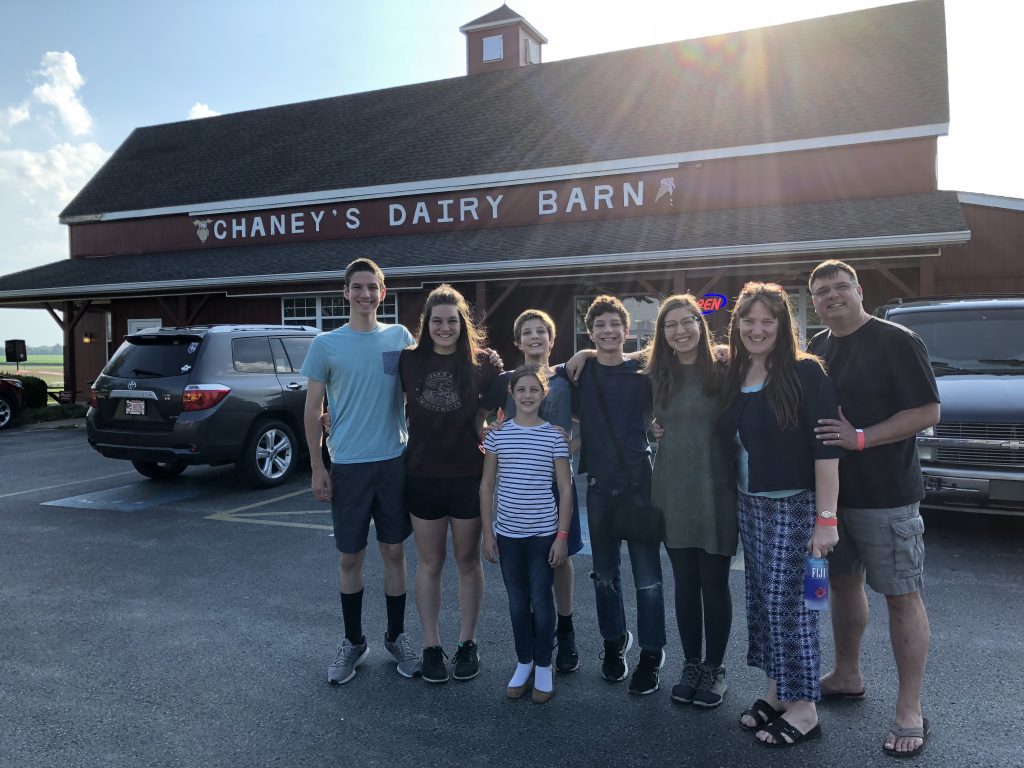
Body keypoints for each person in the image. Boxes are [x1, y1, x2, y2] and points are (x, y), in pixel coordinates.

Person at [807, 259, 939, 759]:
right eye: (822, 291)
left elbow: (927, 411)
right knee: (842, 584)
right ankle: (847, 673)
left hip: (887, 496)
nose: (832, 296)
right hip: (832, 500)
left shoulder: (897, 340)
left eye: (841, 287)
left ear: (860, 290)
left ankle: (910, 709)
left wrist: (860, 439)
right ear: (814, 300)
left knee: (901, 595)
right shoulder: (818, 346)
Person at [717, 282, 842, 747]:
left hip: (795, 504)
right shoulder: (735, 371)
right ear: (738, 325)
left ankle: (805, 706)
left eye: (768, 321)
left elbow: (826, 448)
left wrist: (826, 519)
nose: (757, 329)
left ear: (783, 325)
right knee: (763, 604)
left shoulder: (806, 372)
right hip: (751, 506)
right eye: (749, 320)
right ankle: (776, 690)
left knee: (791, 607)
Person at [301, 258, 420, 685]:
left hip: (393, 461)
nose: (365, 294)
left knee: (393, 552)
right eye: (358, 287)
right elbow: (313, 411)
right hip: (348, 464)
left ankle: (396, 637)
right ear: (346, 292)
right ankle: (353, 642)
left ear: (383, 293)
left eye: (373, 287)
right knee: (351, 556)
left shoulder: (400, 337)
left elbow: (428, 381)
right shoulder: (326, 345)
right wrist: (317, 467)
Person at [399, 284, 501, 684]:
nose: (445, 327)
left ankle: (467, 643)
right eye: (437, 321)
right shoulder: (408, 362)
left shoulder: (484, 364)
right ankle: (430, 645)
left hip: (468, 478)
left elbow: (536, 371)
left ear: (463, 323)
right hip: (421, 475)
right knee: (430, 562)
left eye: (452, 320)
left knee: (467, 561)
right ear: (427, 324)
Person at [644, 295, 737, 709]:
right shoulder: (657, 373)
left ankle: (715, 669)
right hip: (672, 491)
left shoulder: (723, 370)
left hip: (715, 491)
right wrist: (651, 432)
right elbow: (655, 425)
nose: (679, 331)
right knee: (684, 582)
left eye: (687, 322)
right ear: (661, 334)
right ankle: (691, 663)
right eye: (670, 325)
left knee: (713, 583)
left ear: (701, 325)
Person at [572, 295, 666, 695]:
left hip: (640, 484)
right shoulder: (581, 372)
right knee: (604, 576)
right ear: (591, 332)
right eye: (600, 326)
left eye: (615, 325)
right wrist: (582, 352)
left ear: (627, 331)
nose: (608, 332)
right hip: (598, 488)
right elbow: (536, 371)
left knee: (648, 578)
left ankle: (651, 653)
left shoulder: (644, 370)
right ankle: (614, 643)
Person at [481, 309, 584, 673]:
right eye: (528, 332)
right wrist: (488, 435)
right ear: (517, 341)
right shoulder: (508, 381)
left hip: (556, 485)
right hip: (518, 486)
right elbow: (485, 421)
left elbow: (588, 422)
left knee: (561, 558)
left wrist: (569, 447)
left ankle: (566, 629)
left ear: (552, 339)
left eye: (542, 331)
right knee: (525, 572)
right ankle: (531, 642)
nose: (535, 337)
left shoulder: (565, 378)